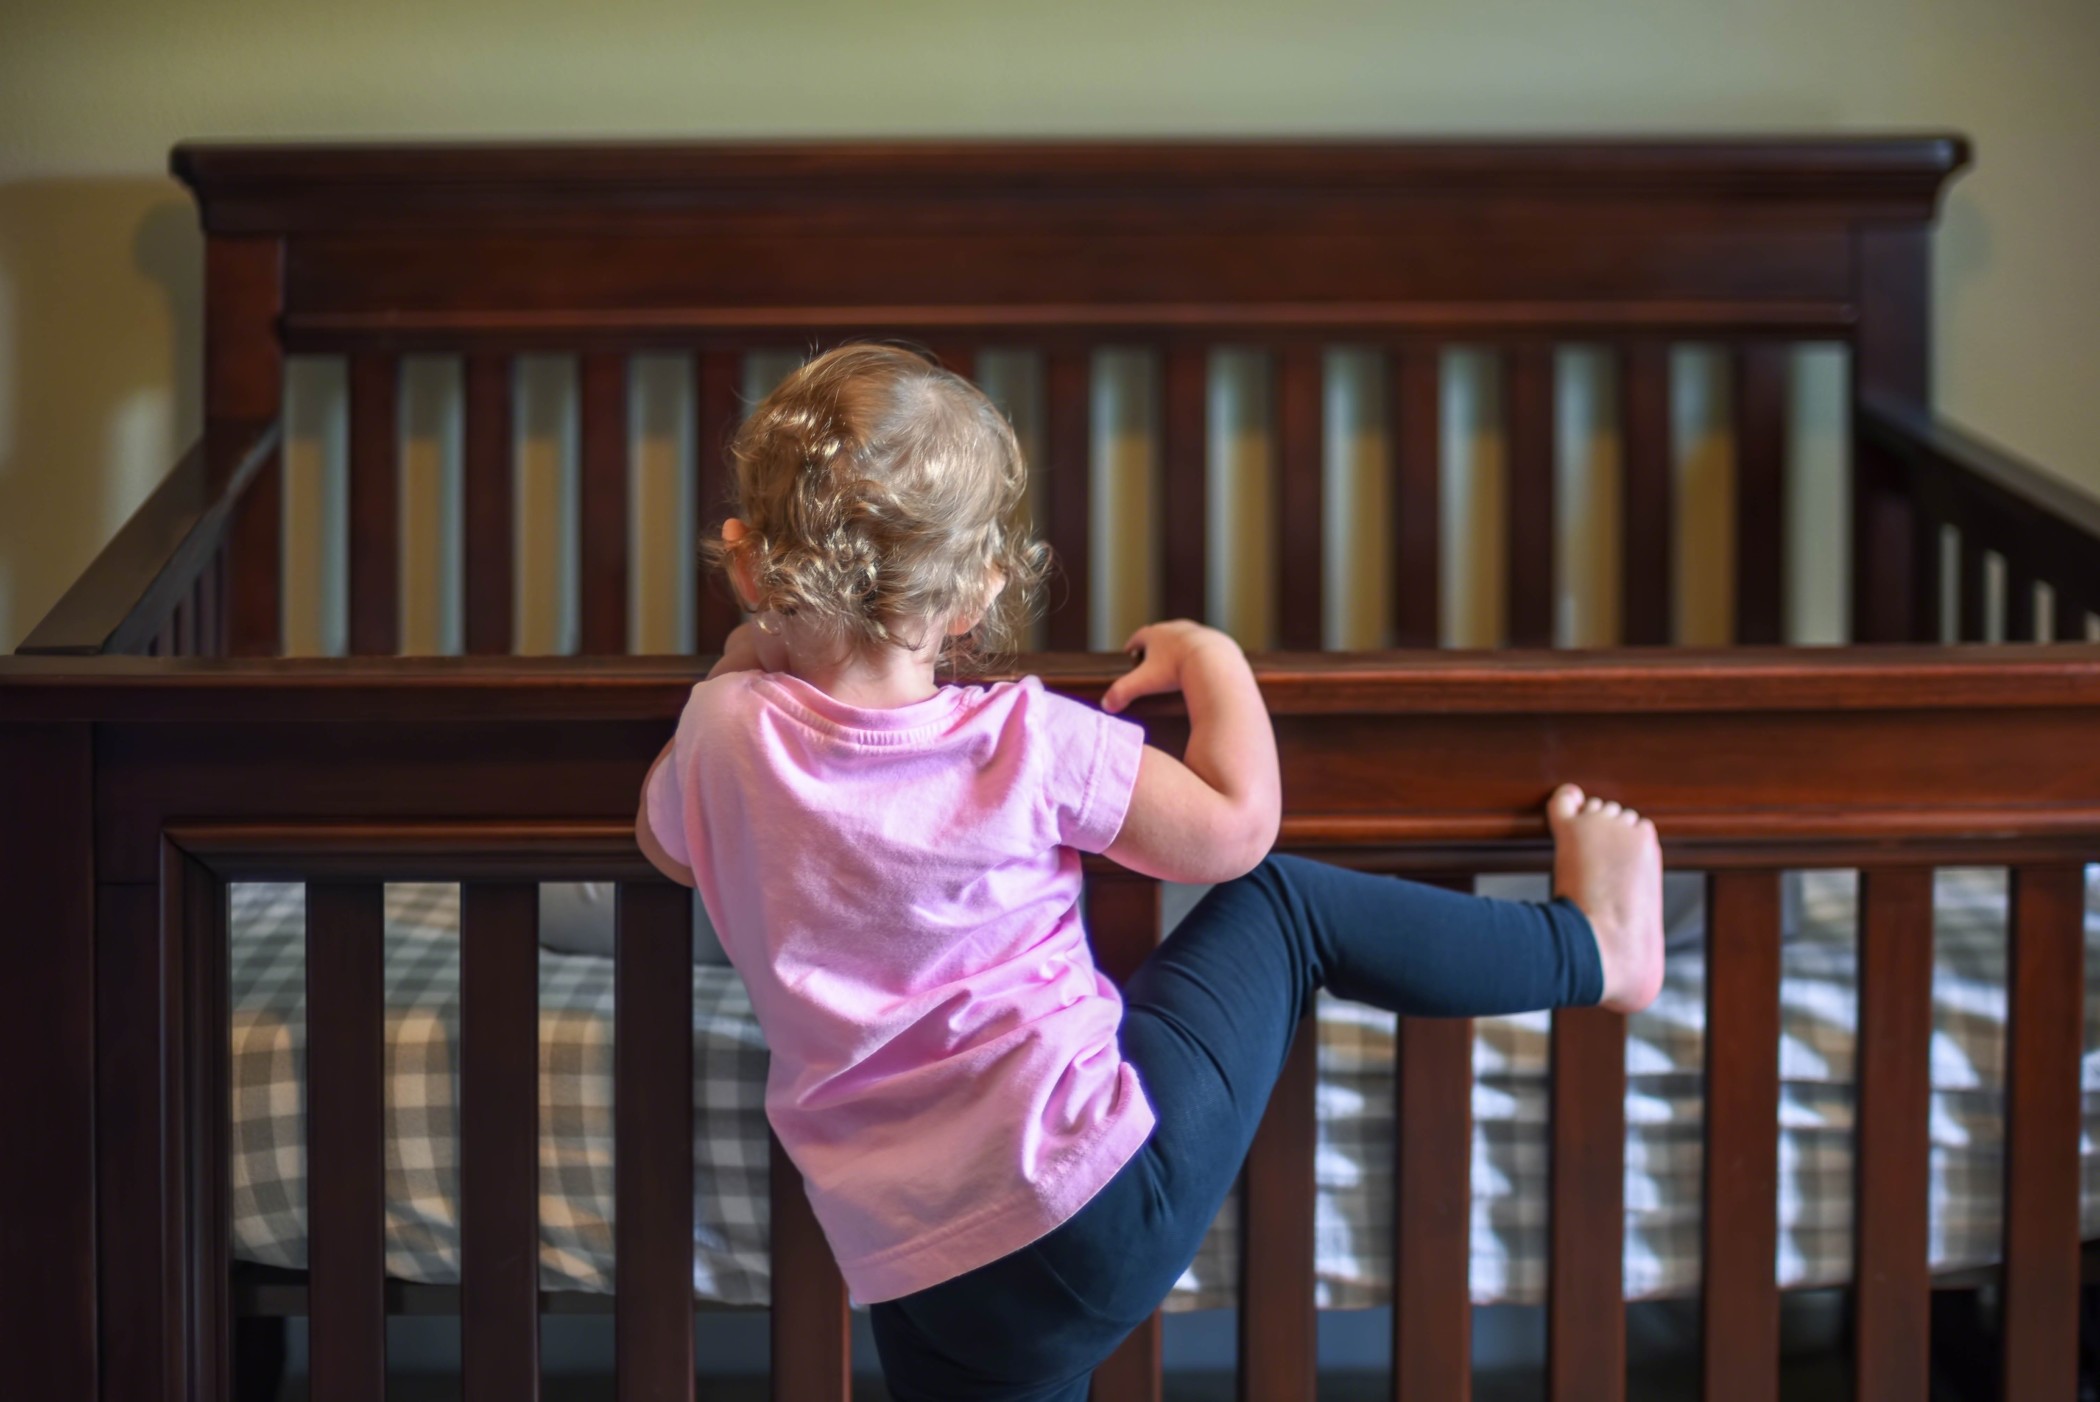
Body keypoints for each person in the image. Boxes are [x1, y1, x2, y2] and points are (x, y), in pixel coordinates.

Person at [635, 343, 1663, 1401]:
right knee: (1285, 906)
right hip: (1095, 1202)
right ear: (972, 594)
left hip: (915, 1267)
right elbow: (1237, 831)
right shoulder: (1025, 740)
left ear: (750, 564)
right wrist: (1215, 661)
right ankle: (1591, 945)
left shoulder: (720, 735)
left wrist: (736, 666)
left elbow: (667, 845)